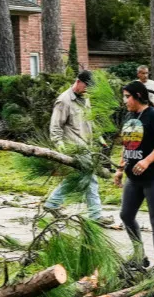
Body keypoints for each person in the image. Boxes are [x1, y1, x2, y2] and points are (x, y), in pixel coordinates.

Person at [42, 70, 115, 226]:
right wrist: (62, 150)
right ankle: (96, 215)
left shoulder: (85, 98)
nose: (88, 89)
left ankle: (52, 203)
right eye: (87, 86)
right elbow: (55, 128)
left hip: (86, 146)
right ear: (79, 81)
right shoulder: (64, 101)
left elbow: (89, 121)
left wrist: (99, 137)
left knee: (75, 179)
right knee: (91, 180)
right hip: (73, 148)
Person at [115, 81, 154, 266]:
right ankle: (139, 256)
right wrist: (120, 168)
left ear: (138, 95)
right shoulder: (129, 117)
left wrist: (147, 161)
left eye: (127, 96)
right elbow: (127, 144)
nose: (125, 101)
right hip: (134, 176)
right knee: (126, 215)